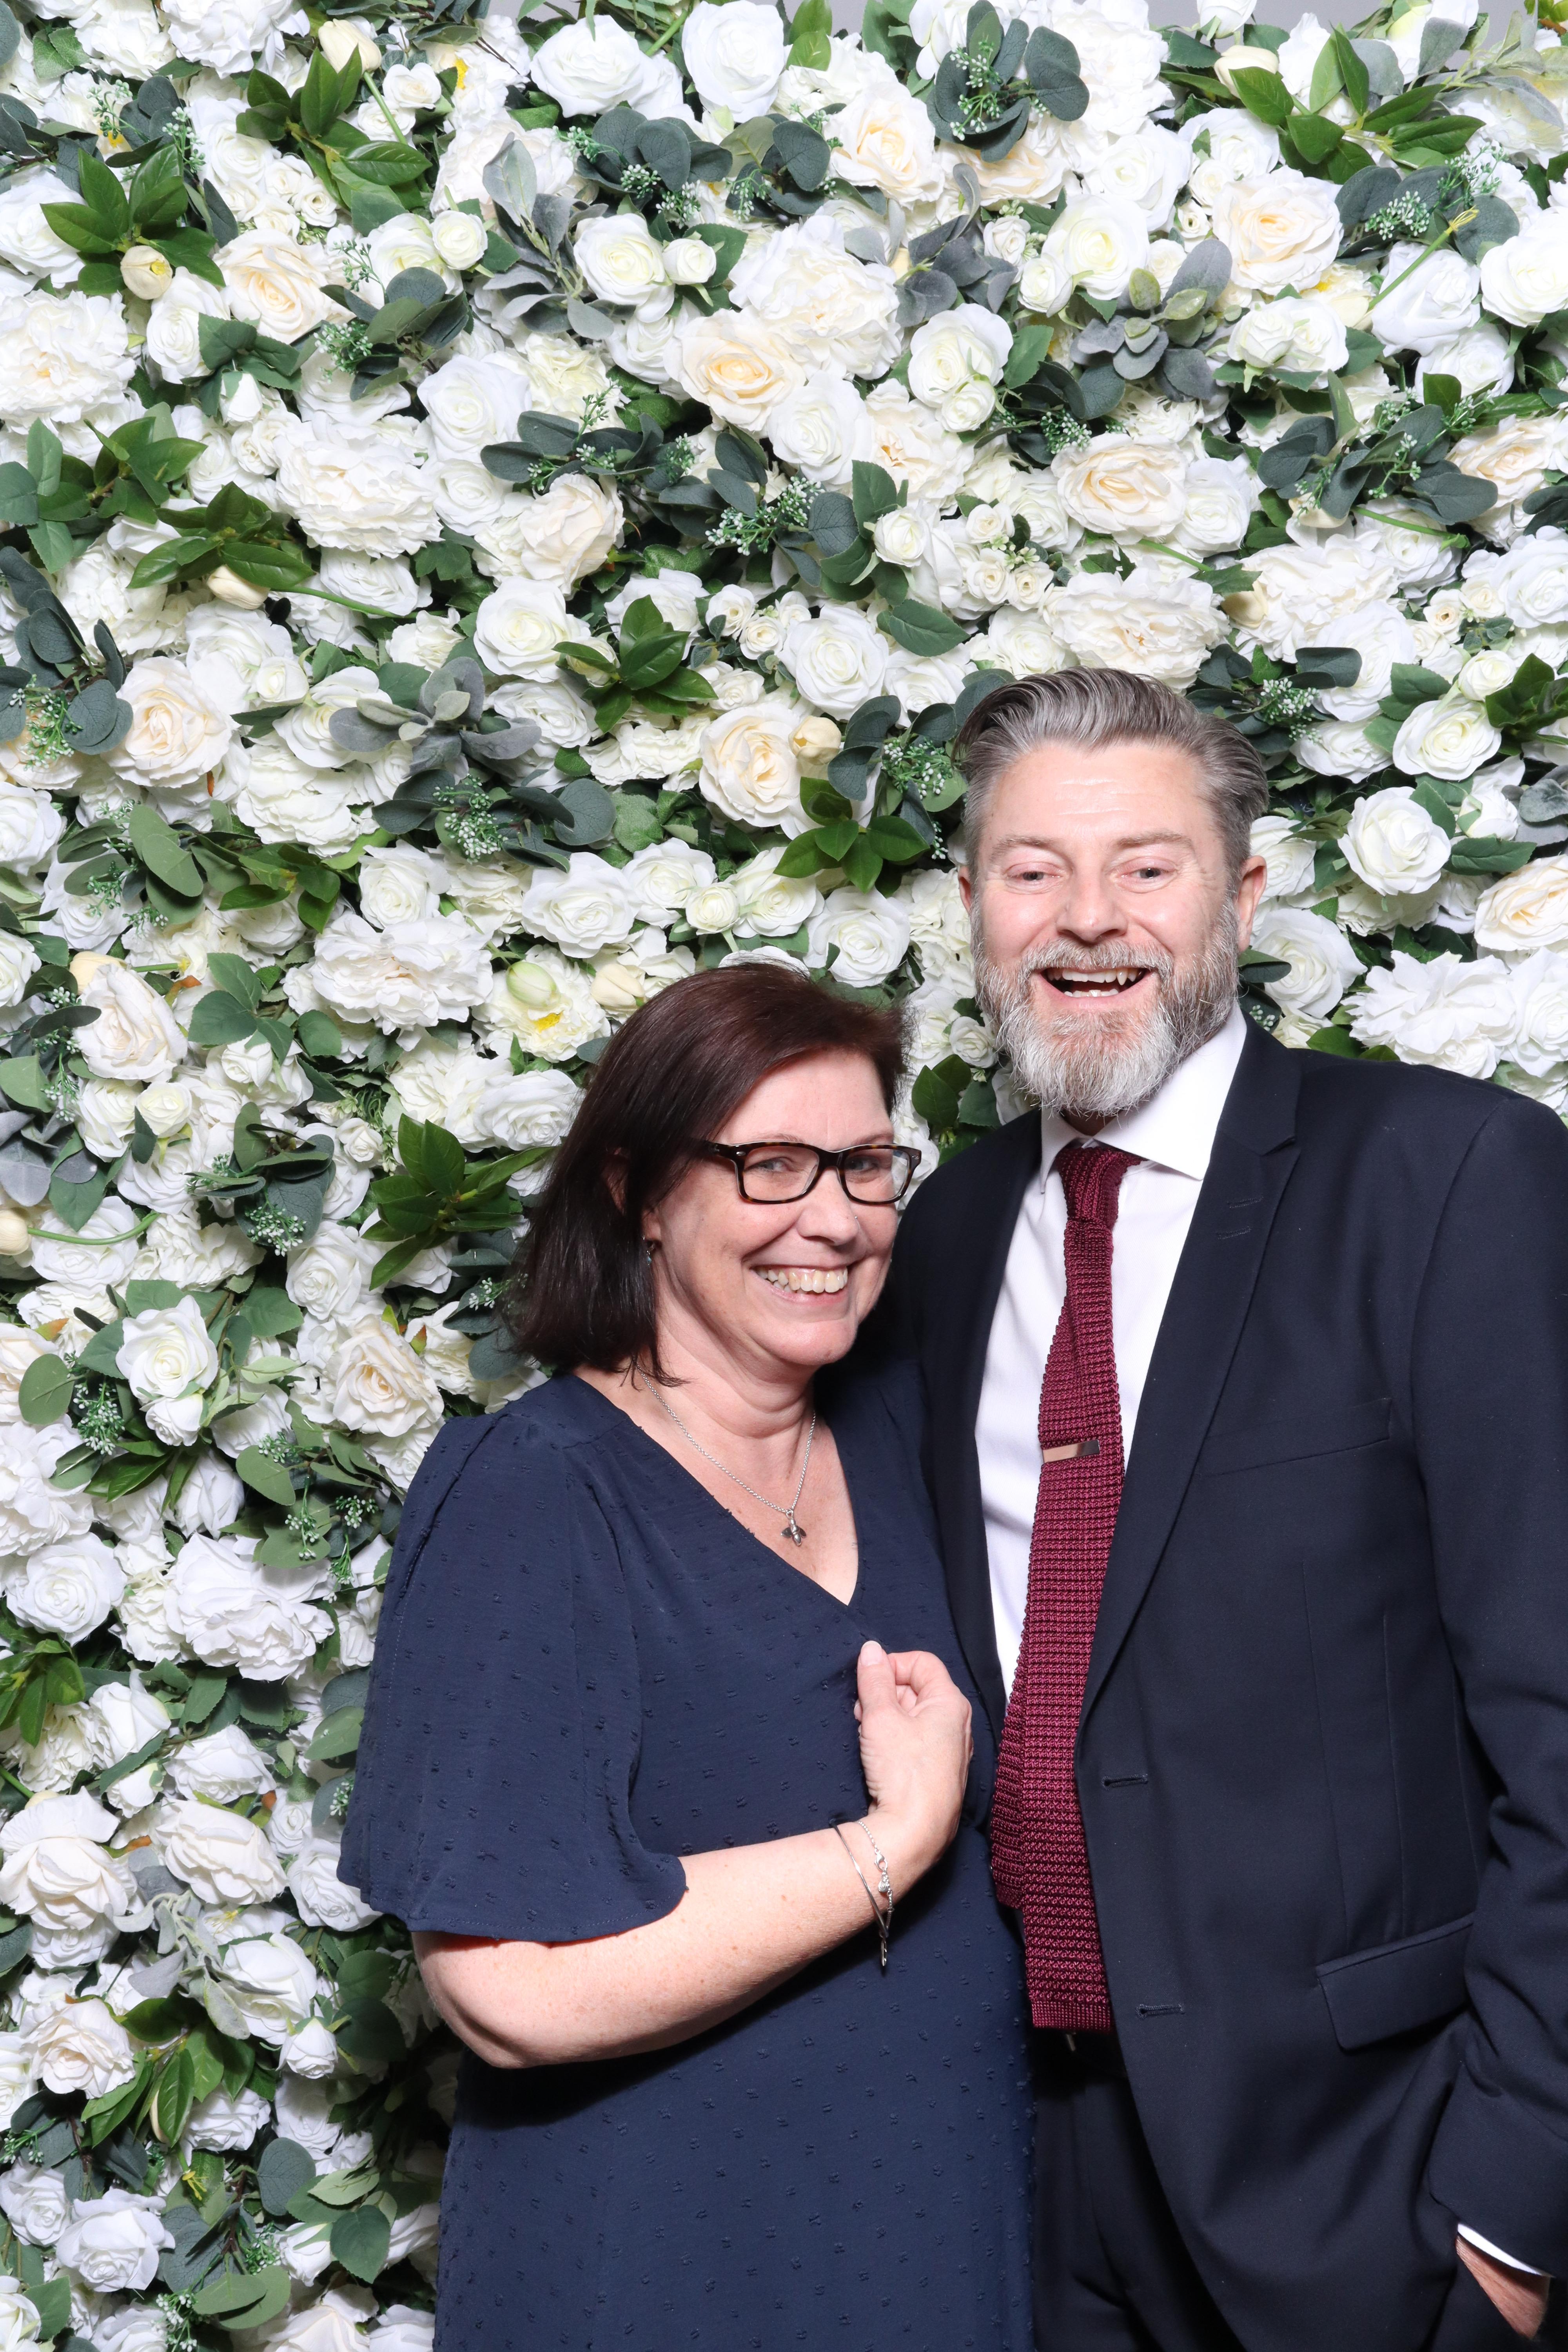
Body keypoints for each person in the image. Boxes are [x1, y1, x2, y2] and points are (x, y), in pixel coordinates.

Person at [877, 669, 1568, 2351]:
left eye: (1147, 866)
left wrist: (1510, 2217)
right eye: (1031, 868)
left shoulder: (1446, 1179)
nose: (1086, 919)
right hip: (1018, 2172)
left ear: (1243, 899)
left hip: (1366, 2177)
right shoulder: (943, 1233)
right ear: (972, 906)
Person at [339, 965, 1034, 2352]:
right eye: (769, 1166)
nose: (830, 1219)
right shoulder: (533, 1489)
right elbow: (508, 1991)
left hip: (939, 2235)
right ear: (640, 1193)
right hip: (668, 2254)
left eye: (864, 1165)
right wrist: (895, 1838)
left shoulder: (902, 1438)